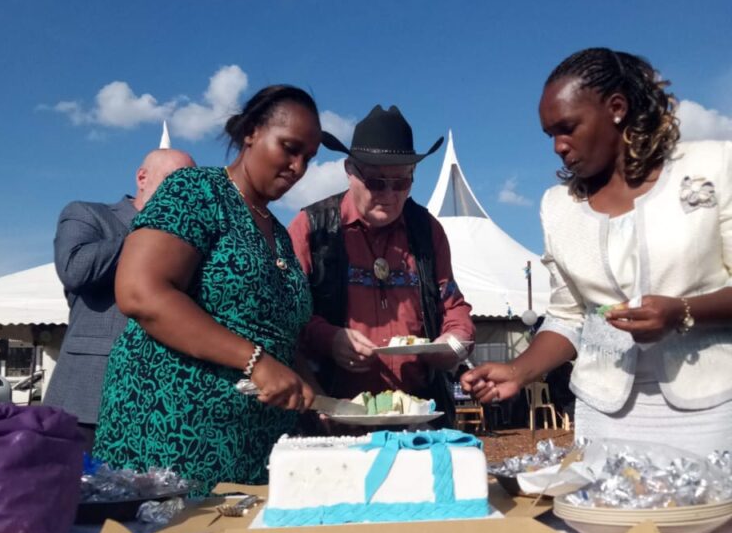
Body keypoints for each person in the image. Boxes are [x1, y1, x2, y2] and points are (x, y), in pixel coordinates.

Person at [462, 48, 732, 454]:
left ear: (617, 108)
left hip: (710, 407)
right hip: (605, 414)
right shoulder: (559, 207)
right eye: (550, 135)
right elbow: (569, 315)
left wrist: (680, 312)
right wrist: (518, 371)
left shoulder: (716, 166)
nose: (557, 146)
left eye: (567, 128)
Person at [93, 85, 322, 490]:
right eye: (289, 148)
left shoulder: (280, 234)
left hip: (252, 449)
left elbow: (280, 339)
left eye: (309, 158)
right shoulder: (196, 192)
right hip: (172, 436)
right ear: (251, 132)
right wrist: (256, 362)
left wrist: (316, 396)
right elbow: (140, 292)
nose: (298, 167)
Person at [288, 105, 474, 425]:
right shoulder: (312, 228)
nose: (389, 195)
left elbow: (454, 308)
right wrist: (329, 338)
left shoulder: (428, 231)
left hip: (417, 417)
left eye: (401, 183)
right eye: (376, 183)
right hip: (334, 416)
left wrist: (452, 344)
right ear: (350, 170)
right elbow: (284, 318)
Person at [44, 146, 196, 448]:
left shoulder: (188, 241)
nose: (183, 193)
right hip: (88, 399)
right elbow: (75, 269)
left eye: (190, 187)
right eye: (175, 181)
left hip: (162, 406)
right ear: (142, 177)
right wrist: (150, 233)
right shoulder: (87, 214)